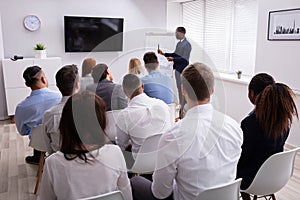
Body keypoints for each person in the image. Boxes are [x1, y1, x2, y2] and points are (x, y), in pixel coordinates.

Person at [131, 62, 243, 200]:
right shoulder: (234, 127)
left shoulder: (173, 136)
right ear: (212, 90)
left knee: (135, 182)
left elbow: (160, 193)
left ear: (183, 90)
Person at [38, 91, 132, 200]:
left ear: (65, 124)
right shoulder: (115, 153)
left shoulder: (53, 163)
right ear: (101, 122)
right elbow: (127, 195)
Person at [237, 73, 298, 200]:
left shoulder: (250, 123)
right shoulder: (284, 121)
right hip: (276, 177)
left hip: (251, 180)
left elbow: (243, 157)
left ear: (252, 94)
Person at [116, 74, 172, 157]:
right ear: (142, 86)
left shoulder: (124, 115)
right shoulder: (162, 105)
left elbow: (122, 145)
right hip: (165, 158)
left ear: (124, 92)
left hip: (141, 165)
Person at [14, 66, 61, 164]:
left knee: (37, 132)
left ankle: (37, 158)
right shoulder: (59, 96)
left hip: (40, 143)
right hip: (60, 138)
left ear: (27, 84)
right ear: (43, 79)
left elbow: (23, 131)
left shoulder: (21, 107)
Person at [43, 64, 80, 154]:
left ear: (57, 85)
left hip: (59, 162)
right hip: (88, 162)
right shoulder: (90, 110)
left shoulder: (49, 114)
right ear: (78, 85)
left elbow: (48, 147)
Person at [157, 27, 191, 104]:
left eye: (177, 33)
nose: (176, 35)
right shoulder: (179, 43)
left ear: (182, 33)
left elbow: (185, 58)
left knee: (183, 89)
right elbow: (175, 54)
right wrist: (163, 54)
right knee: (179, 88)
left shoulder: (187, 45)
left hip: (182, 70)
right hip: (177, 69)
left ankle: (184, 105)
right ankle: (181, 104)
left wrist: (173, 59)